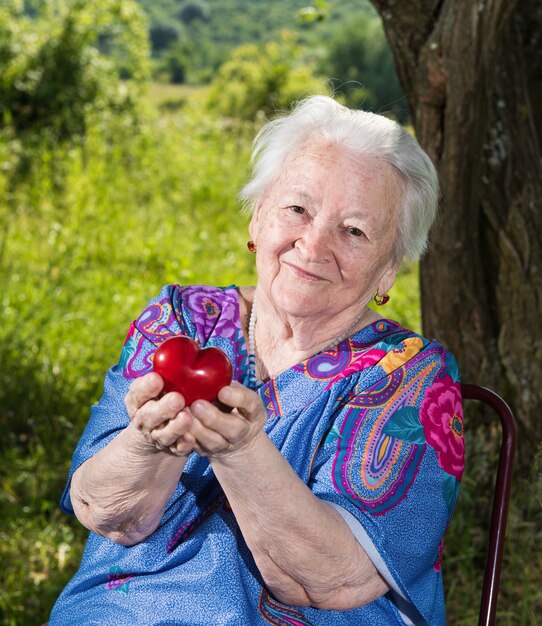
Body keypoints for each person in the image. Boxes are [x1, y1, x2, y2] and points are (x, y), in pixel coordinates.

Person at [48, 95, 464, 625]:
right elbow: (106, 513)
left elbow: (335, 579)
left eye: (354, 231)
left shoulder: (409, 375)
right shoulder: (181, 321)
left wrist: (242, 451)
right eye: (297, 209)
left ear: (388, 270)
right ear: (258, 213)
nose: (313, 245)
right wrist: (147, 442)